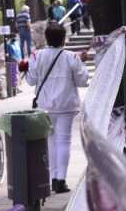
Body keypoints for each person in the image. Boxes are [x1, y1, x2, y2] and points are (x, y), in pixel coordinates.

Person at [25, 22, 90, 194]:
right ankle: (60, 179)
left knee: (51, 141)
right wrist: (83, 64)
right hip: (66, 104)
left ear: (46, 38)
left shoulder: (36, 56)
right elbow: (82, 80)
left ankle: (52, 177)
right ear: (63, 38)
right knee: (64, 141)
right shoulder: (72, 57)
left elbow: (31, 80)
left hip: (45, 105)